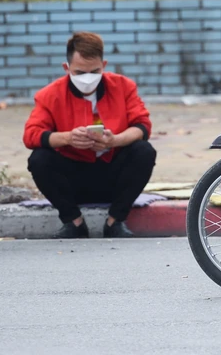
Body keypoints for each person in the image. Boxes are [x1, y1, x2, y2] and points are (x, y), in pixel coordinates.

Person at [24, 32, 157, 239]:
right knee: (39, 158)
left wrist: (115, 140)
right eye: (79, 72)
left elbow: (143, 126)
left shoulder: (123, 87)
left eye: (94, 71)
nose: (87, 78)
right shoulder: (49, 95)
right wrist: (67, 138)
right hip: (72, 178)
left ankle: (115, 222)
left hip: (113, 174)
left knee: (144, 151)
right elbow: (31, 135)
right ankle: (73, 222)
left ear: (104, 65)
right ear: (66, 68)